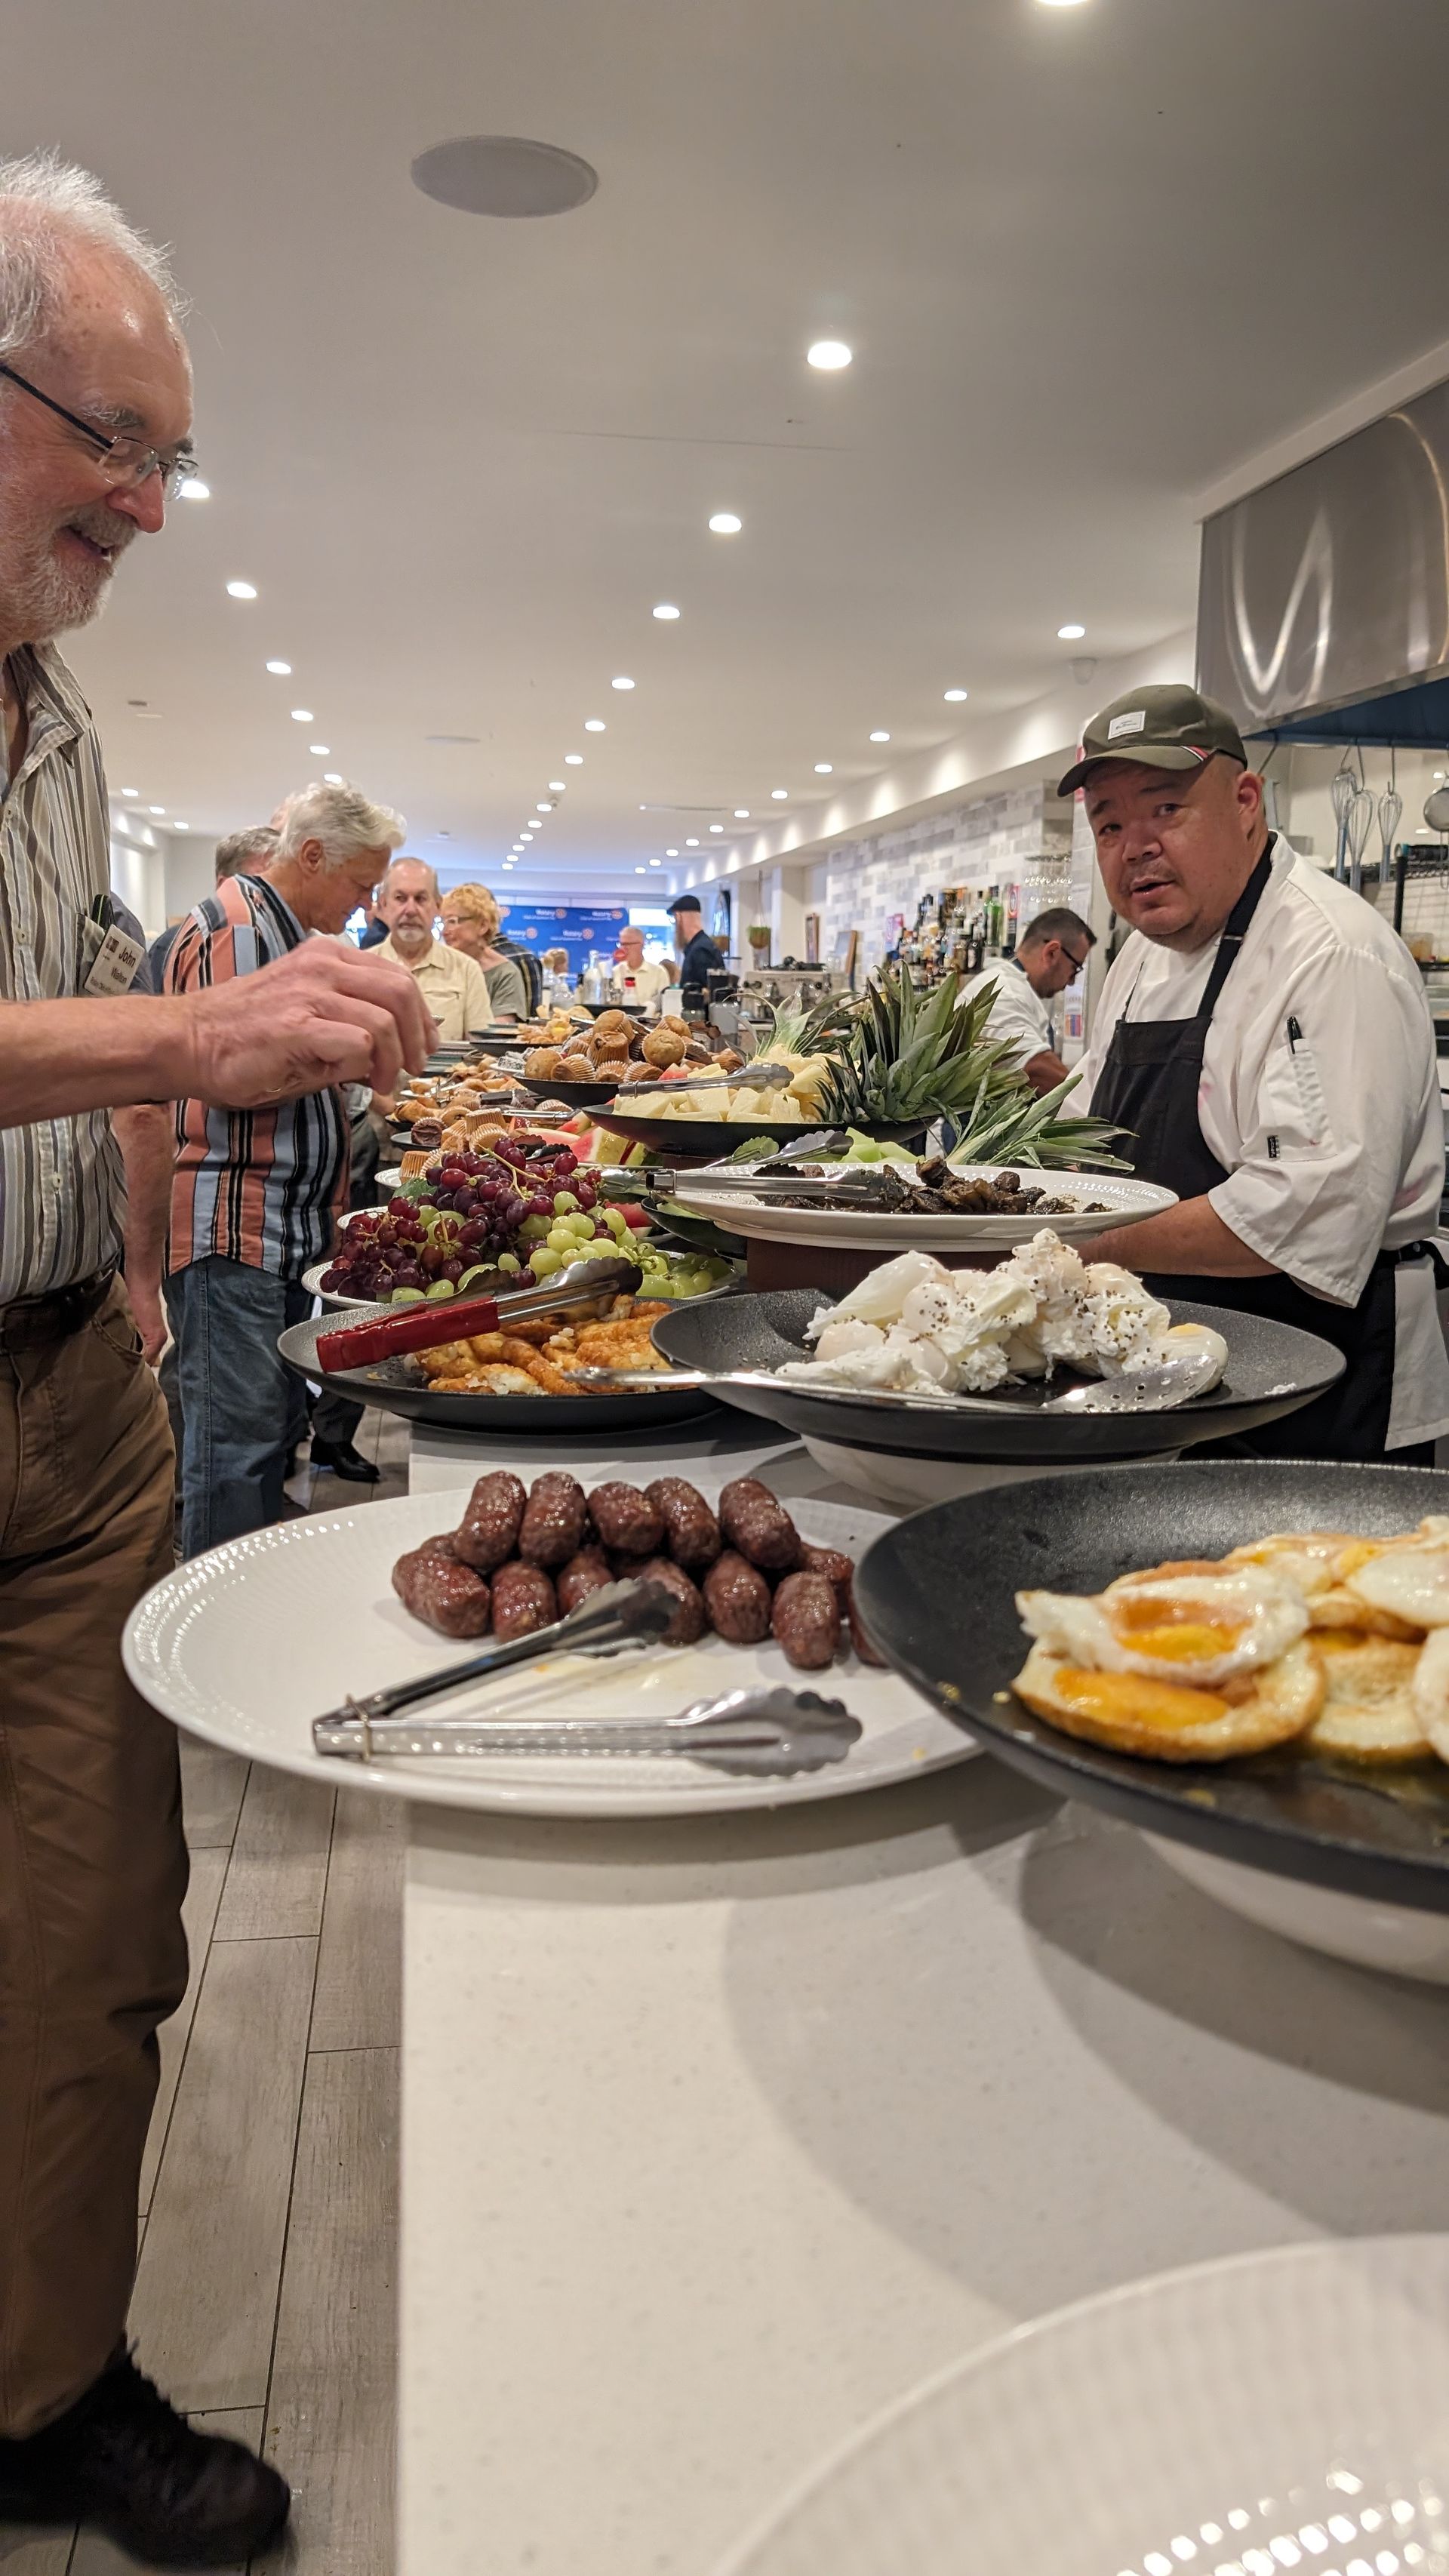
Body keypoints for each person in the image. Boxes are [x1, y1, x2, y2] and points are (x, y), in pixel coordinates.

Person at [0, 151, 427, 2570]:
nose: (153, 500)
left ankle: (45, 2381)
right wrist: (197, 1034)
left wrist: (150, 1284)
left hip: (69, 1391)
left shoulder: (54, 720)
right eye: (115, 438)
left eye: (175, 457)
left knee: (92, 1947)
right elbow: (119, 1034)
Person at [1064, 683, 1449, 1462]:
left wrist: (1084, 1248)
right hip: (1178, 1362)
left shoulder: (1331, 952)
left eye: (1165, 809)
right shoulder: (1140, 956)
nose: (1134, 844)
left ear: (1246, 800)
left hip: (1324, 1373)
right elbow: (1087, 1141)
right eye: (1109, 823)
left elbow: (1303, 1210)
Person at [164, 780, 405, 1550]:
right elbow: (237, 1077)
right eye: (361, 884)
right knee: (233, 1450)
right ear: (310, 855)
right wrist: (364, 1052)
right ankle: (216, 1625)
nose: (367, 905)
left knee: (266, 1429)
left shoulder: (283, 930)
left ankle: (250, 1571)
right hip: (236, 1231)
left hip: (274, 1227)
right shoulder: (239, 930)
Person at [958, 906, 1095, 1094]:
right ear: (1052, 953)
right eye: (1075, 968)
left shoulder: (1016, 987)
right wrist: (1093, 1106)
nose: (1071, 982)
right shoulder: (1002, 990)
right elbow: (1034, 1068)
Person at [145, 820, 278, 992]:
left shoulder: (281, 939)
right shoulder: (167, 946)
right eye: (258, 886)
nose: (271, 898)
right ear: (224, 885)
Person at [371, 854, 492, 1037]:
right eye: (400, 898)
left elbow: (482, 1050)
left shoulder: (467, 970)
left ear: (437, 906)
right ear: (383, 904)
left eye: (420, 899)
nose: (410, 910)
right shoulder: (361, 967)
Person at [438, 882, 529, 1017]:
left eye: (452, 921)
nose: (444, 932)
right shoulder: (439, 968)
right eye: (443, 922)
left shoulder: (505, 974)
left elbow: (500, 1032)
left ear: (482, 926)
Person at [666, 894, 725, 999]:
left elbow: (709, 994)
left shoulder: (701, 950)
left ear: (679, 917)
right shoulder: (700, 946)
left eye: (674, 919)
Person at [612, 921, 672, 1011]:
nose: (624, 948)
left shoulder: (658, 972)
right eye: (622, 944)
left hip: (650, 1023)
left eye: (628, 944)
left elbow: (666, 1002)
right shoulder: (615, 972)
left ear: (642, 944)